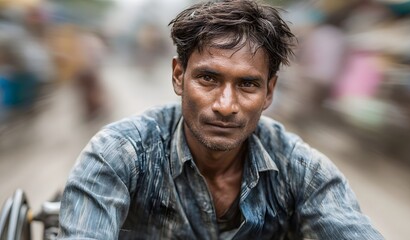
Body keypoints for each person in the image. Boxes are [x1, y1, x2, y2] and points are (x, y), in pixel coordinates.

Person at [58, 0, 384, 239]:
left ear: (269, 92)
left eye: (247, 84)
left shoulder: (301, 171)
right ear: (178, 76)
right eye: (208, 79)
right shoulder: (120, 154)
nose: (226, 105)